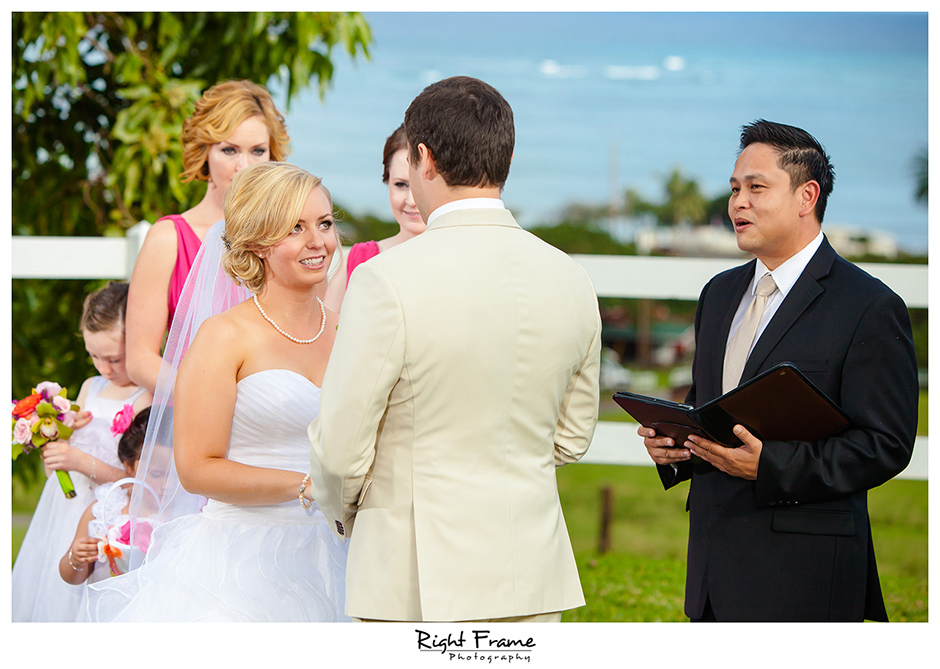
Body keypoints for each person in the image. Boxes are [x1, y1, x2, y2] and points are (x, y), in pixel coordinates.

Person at [309, 76, 602, 622]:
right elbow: (573, 435)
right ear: (504, 156)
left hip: (412, 573)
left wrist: (353, 513)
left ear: (424, 158)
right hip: (531, 571)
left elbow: (340, 448)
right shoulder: (572, 278)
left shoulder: (384, 279)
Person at [639, 119, 918, 622]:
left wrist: (771, 466)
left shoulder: (869, 305)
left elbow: (886, 445)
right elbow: (715, 416)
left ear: (806, 196)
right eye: (734, 189)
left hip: (805, 577)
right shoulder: (719, 293)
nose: (737, 202)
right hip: (712, 574)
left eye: (756, 188)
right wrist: (676, 448)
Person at [86, 162, 349, 622]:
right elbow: (196, 469)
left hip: (338, 553)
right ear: (258, 245)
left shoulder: (347, 332)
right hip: (240, 561)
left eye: (324, 223)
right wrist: (307, 486)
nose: (318, 242)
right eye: (295, 228)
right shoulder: (223, 336)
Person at [126, 79, 290, 394]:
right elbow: (140, 359)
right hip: (190, 412)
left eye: (257, 151)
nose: (244, 166)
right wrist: (206, 401)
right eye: (229, 150)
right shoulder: (168, 239)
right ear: (205, 152)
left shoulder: (287, 236)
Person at [12, 281, 152, 622]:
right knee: (53, 586)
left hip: (107, 515)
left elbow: (139, 481)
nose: (104, 368)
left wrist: (79, 460)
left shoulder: (145, 398)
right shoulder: (92, 386)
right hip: (64, 510)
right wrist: (60, 444)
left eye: (114, 358)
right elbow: (68, 456)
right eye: (93, 356)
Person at [324, 125, 426, 310]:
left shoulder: (463, 261)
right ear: (387, 183)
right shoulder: (357, 261)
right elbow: (328, 332)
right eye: (401, 185)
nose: (411, 200)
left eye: (421, 185)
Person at [59, 408, 151, 587]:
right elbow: (71, 576)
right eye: (155, 473)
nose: (165, 483)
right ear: (129, 467)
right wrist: (77, 559)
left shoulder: (185, 513)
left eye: (173, 474)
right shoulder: (105, 509)